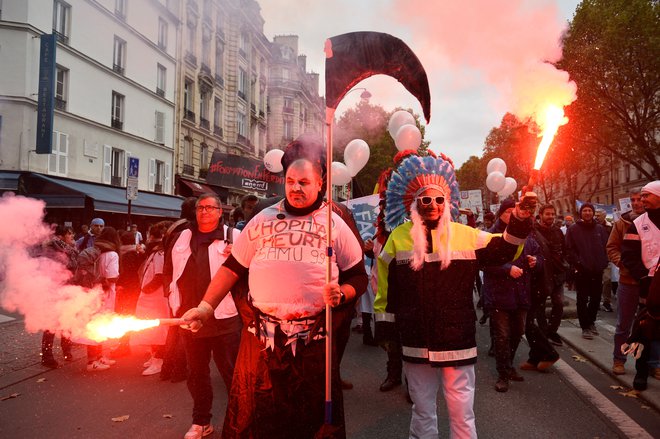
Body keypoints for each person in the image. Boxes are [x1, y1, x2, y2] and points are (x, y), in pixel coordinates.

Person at [182, 151, 367, 438]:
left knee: (310, 423)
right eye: (291, 181)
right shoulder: (262, 220)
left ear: (320, 184)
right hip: (261, 341)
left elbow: (358, 275)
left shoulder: (334, 223)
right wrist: (206, 307)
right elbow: (231, 268)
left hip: (313, 343)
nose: (296, 187)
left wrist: (342, 293)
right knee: (258, 420)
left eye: (304, 182)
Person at [374, 154, 535, 438]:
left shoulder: (466, 235)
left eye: (438, 200)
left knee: (461, 412)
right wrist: (386, 327)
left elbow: (506, 249)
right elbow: (384, 286)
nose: (432, 205)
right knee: (422, 410)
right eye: (426, 200)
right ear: (415, 204)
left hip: (456, 338)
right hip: (415, 338)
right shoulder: (398, 237)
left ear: (447, 203)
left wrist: (520, 220)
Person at [167, 193, 242, 439]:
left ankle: (241, 421)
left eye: (211, 207)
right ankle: (201, 422)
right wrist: (173, 301)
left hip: (224, 318)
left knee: (232, 374)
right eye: (201, 207)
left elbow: (254, 270)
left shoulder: (234, 237)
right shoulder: (181, 237)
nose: (205, 212)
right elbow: (171, 272)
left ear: (221, 212)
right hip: (189, 317)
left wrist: (240, 258)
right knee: (196, 374)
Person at [482, 199, 543, 392]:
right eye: (507, 211)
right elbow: (484, 263)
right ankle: (502, 374)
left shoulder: (526, 231)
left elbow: (538, 253)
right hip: (499, 293)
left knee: (518, 331)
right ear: (500, 213)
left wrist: (536, 262)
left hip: (521, 293)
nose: (511, 215)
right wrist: (506, 269)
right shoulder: (491, 235)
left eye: (513, 211)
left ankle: (508, 366)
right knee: (502, 335)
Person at [622, 180, 660, 389]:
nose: (642, 199)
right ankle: (641, 372)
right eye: (641, 196)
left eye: (647, 195)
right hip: (649, 284)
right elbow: (628, 255)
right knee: (643, 330)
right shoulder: (636, 224)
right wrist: (644, 277)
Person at [160, 197, 198, 383]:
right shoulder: (185, 230)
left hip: (173, 284)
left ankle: (168, 369)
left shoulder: (174, 227)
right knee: (183, 328)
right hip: (182, 284)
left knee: (174, 329)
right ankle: (178, 370)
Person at [608, 187, 645, 375]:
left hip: (649, 281)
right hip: (628, 280)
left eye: (640, 199)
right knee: (624, 324)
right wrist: (622, 263)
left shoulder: (654, 221)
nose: (637, 202)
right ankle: (619, 359)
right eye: (633, 199)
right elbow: (612, 247)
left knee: (649, 324)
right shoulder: (622, 222)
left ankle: (651, 363)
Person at [132, 221, 172, 376]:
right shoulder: (155, 252)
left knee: (158, 330)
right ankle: (154, 356)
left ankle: (159, 360)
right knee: (151, 330)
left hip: (156, 299)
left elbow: (160, 275)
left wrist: (147, 288)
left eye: (149, 235)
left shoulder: (161, 253)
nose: (147, 238)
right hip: (149, 298)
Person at [565, 203, 609, 339]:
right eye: (585, 210)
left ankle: (591, 322)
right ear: (581, 213)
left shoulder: (600, 229)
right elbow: (568, 249)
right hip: (582, 269)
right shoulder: (573, 229)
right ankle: (585, 326)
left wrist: (603, 262)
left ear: (593, 213)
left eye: (590, 210)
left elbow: (606, 246)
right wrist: (578, 263)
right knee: (582, 298)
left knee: (596, 298)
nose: (588, 213)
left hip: (597, 269)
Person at [83, 226, 121, 371]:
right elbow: (112, 277)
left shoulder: (95, 251)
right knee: (97, 326)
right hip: (104, 294)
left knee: (95, 324)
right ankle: (92, 361)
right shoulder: (112, 254)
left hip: (92, 292)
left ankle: (97, 358)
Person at [40, 225, 77, 368]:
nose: (72, 236)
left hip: (67, 288)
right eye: (69, 234)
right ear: (61, 236)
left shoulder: (67, 249)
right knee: (52, 323)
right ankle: (47, 356)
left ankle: (67, 350)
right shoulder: (53, 250)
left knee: (67, 320)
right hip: (55, 290)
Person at [533, 204, 568, 346]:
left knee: (558, 304)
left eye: (553, 214)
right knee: (540, 306)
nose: (551, 217)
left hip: (557, 275)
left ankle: (552, 331)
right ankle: (543, 331)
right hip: (541, 274)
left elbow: (564, 250)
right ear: (540, 215)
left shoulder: (558, 231)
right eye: (548, 214)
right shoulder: (534, 232)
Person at [595, 210, 615, 312]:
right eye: (596, 215)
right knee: (596, 281)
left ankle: (606, 301)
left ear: (605, 215)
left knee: (607, 280)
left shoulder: (610, 227)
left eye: (599, 215)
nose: (597, 217)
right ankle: (595, 301)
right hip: (594, 257)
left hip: (606, 257)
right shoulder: (592, 226)